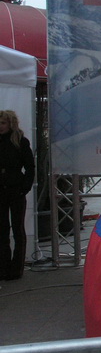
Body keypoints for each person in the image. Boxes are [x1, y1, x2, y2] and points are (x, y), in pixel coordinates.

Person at [0, 110, 35, 281]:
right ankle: (3, 266)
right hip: (1, 189)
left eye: (3, 123)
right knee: (2, 229)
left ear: (10, 124)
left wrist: (25, 188)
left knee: (17, 228)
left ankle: (17, 267)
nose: (0, 127)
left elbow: (30, 167)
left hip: (15, 189)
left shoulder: (20, 141)